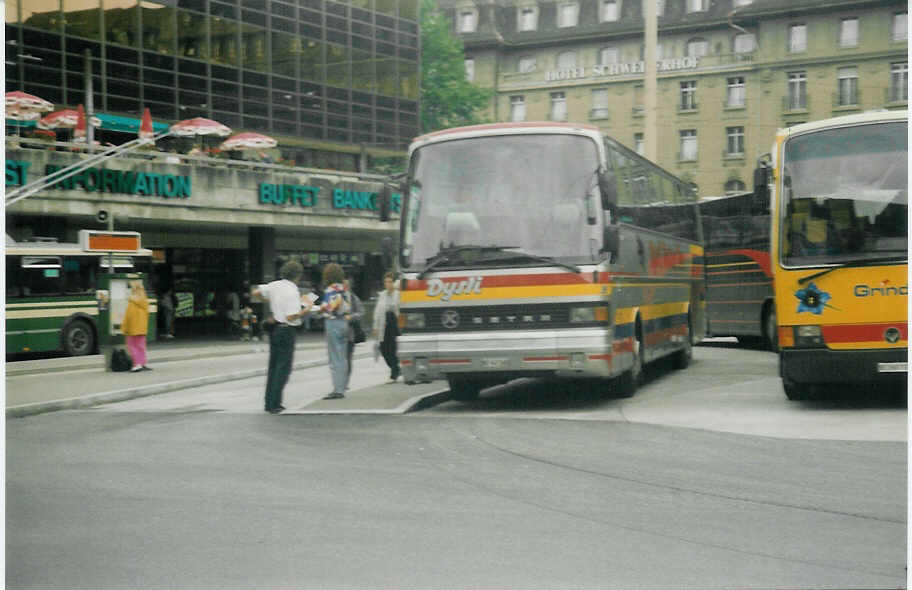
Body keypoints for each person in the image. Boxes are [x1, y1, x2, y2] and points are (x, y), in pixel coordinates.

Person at [252, 261, 309, 414]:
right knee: (283, 368)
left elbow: (255, 292)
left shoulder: (274, 285)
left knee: (273, 366)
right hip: (286, 330)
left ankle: (268, 402)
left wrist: (272, 301)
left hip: (275, 329)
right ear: (297, 275)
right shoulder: (292, 291)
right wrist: (307, 309)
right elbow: (291, 317)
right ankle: (275, 404)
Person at [319, 263, 350, 399]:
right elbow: (347, 306)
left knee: (334, 357)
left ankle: (337, 390)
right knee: (343, 357)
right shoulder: (344, 288)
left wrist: (321, 309)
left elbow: (329, 306)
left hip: (333, 323)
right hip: (344, 322)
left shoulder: (330, 289)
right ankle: (342, 387)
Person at [372, 271, 401, 383]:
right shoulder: (382, 295)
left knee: (393, 349)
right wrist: (375, 327)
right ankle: (396, 368)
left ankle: (394, 372)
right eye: (386, 282)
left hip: (395, 325)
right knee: (384, 349)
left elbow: (399, 309)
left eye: (390, 282)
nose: (387, 284)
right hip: (384, 325)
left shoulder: (398, 294)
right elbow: (377, 312)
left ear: (394, 283)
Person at [121, 280, 151, 372]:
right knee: (141, 346)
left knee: (132, 346)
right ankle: (143, 363)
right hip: (142, 328)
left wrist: (124, 328)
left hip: (133, 329)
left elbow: (128, 316)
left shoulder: (132, 302)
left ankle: (137, 364)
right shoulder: (144, 300)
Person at [344, 278, 364, 383]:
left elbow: (361, 312)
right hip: (338, 334)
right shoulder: (335, 297)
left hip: (349, 335)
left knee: (347, 359)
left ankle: (345, 381)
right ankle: (340, 381)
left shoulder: (353, 298)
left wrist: (351, 317)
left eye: (345, 285)